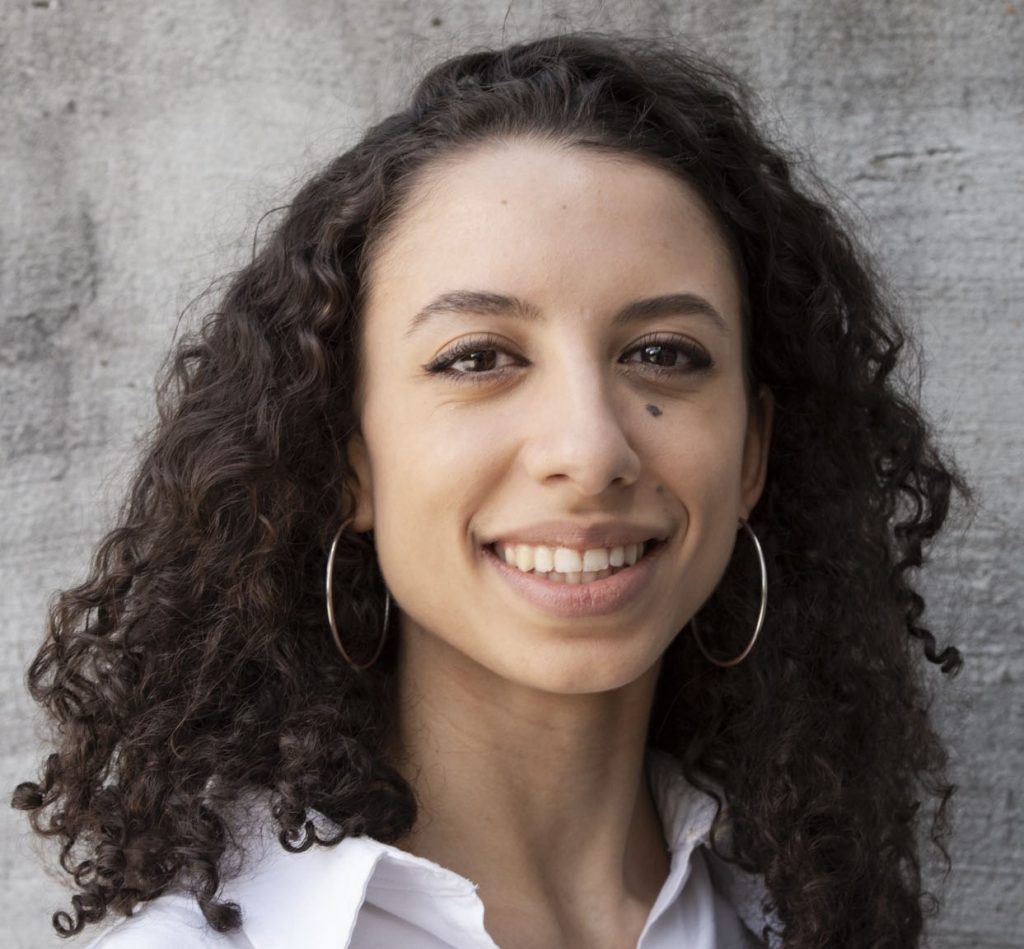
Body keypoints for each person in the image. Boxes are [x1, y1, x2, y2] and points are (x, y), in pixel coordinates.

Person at [12, 29, 970, 949]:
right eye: (478, 357)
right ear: (346, 457)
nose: (590, 450)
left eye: (664, 354)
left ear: (753, 453)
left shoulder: (800, 923)